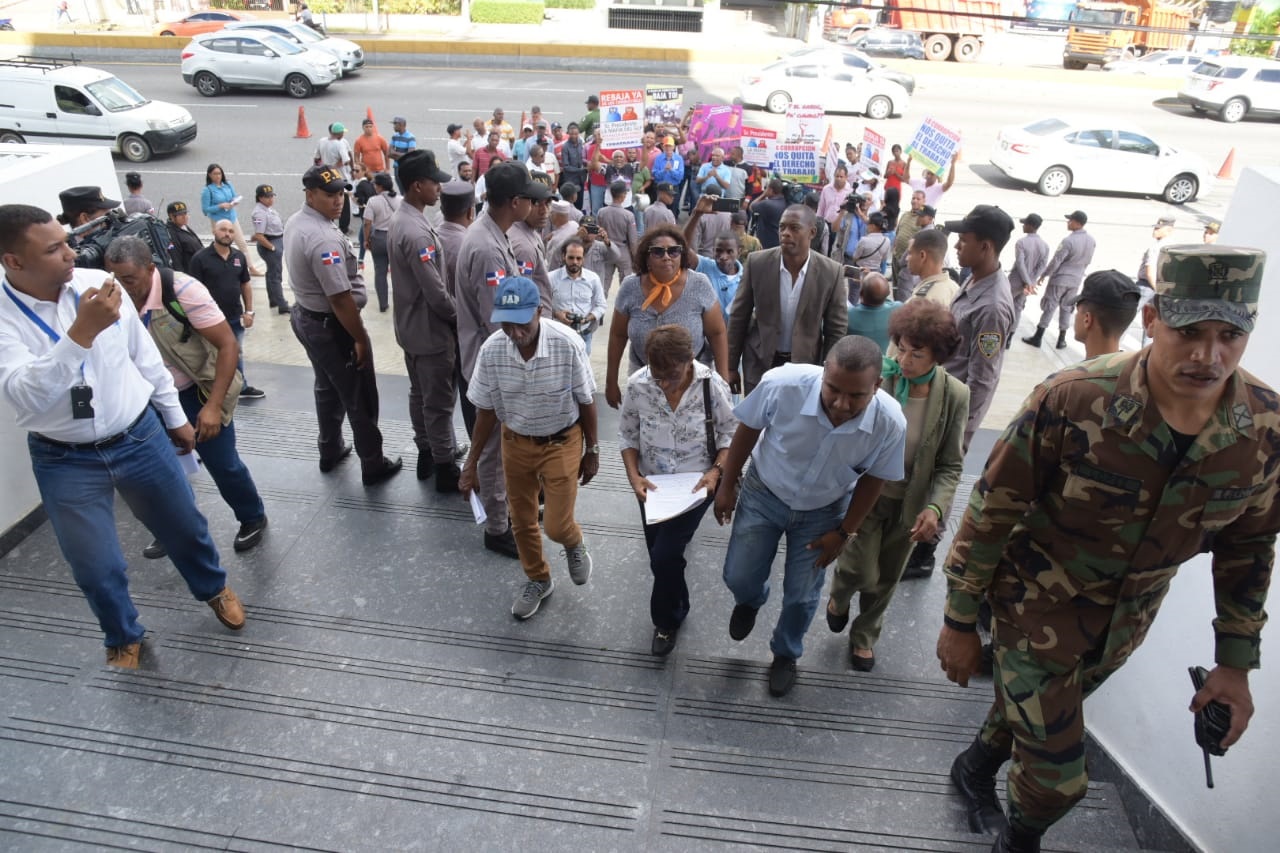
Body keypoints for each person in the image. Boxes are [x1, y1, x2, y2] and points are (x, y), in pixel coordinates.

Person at [938, 245, 1276, 853]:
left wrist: (1234, 663)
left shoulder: (1266, 430)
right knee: (1059, 779)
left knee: (1041, 714)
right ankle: (1019, 841)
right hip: (1033, 605)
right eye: (1189, 331)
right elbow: (993, 508)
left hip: (1124, 623)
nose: (1209, 355)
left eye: (1230, 335)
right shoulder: (1073, 398)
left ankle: (973, 767)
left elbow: (1249, 545)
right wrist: (960, 619)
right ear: (1151, 321)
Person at [0, 203, 246, 669]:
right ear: (14, 261)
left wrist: (174, 417)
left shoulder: (97, 286)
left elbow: (144, 357)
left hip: (138, 435)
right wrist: (79, 336)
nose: (71, 253)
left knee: (185, 527)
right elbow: (24, 394)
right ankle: (121, 633)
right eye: (54, 249)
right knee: (94, 563)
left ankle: (213, 588)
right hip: (64, 457)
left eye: (67, 240)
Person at [716, 336, 907, 697]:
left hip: (825, 510)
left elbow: (875, 479)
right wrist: (727, 485)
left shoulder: (890, 423)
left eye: (856, 396)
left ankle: (786, 653)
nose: (841, 403)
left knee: (802, 597)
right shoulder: (781, 384)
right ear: (823, 373)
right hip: (764, 491)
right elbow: (748, 428)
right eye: (833, 389)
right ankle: (751, 599)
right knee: (739, 575)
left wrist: (845, 531)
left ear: (876, 387)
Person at [103, 235, 269, 559]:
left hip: (195, 393)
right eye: (115, 279)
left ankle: (252, 516)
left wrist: (213, 406)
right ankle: (174, 528)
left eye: (129, 279)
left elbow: (228, 345)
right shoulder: (111, 298)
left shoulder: (183, 291)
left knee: (223, 463)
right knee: (160, 470)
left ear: (150, 269)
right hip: (147, 400)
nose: (121, 288)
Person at [827, 301, 967, 670]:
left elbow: (951, 464)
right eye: (901, 348)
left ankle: (864, 636)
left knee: (886, 578)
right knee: (860, 571)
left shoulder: (954, 395)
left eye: (916, 354)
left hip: (910, 504)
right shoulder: (879, 379)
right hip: (866, 495)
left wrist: (935, 508)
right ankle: (838, 596)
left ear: (937, 356)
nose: (904, 360)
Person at [459, 276, 599, 620]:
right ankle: (538, 578)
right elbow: (486, 410)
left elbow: (586, 400)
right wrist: (470, 463)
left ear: (539, 311)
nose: (514, 332)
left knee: (555, 524)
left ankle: (573, 542)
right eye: (506, 323)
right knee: (520, 521)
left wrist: (592, 450)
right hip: (516, 441)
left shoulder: (567, 344)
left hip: (561, 441)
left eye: (521, 322)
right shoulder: (492, 349)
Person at [619, 324, 737, 655]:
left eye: (671, 374)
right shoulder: (638, 385)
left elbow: (731, 434)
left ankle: (666, 623)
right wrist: (633, 477)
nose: (664, 382)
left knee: (665, 554)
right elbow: (628, 436)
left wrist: (716, 473)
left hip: (697, 484)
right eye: (658, 375)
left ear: (689, 360)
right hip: (652, 486)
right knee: (661, 559)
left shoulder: (711, 385)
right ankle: (679, 602)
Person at [284, 165, 402, 487]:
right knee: (359, 396)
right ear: (310, 195)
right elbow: (340, 299)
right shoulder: (322, 238)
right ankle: (373, 463)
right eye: (330, 195)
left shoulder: (299, 221)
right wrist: (360, 338)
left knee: (327, 386)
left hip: (307, 317)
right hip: (332, 327)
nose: (338, 201)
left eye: (341, 194)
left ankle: (330, 449)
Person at [454, 162, 545, 558]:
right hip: (491, 366)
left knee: (497, 446)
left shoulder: (492, 232)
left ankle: (502, 508)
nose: (533, 203)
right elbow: (500, 326)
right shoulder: (489, 248)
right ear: (515, 202)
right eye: (529, 197)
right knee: (493, 450)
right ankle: (496, 526)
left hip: (488, 359)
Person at [386, 150, 461, 489]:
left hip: (410, 328)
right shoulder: (417, 232)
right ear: (417, 186)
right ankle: (445, 465)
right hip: (430, 332)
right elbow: (436, 293)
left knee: (420, 395)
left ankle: (427, 451)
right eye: (434, 182)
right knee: (439, 403)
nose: (439, 188)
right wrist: (461, 318)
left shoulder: (403, 219)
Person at [727, 204, 849, 396]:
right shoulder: (757, 263)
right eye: (782, 227)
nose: (785, 233)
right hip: (759, 363)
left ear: (812, 232)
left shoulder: (831, 272)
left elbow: (836, 329)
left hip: (805, 367)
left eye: (794, 228)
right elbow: (738, 317)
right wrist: (731, 366)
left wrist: (828, 373)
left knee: (795, 424)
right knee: (756, 424)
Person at [605, 224, 730, 408]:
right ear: (647, 258)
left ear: (682, 255)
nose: (666, 257)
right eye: (657, 252)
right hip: (642, 377)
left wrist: (723, 381)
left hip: (692, 381)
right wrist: (611, 381)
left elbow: (717, 333)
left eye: (673, 251)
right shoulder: (630, 287)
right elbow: (617, 335)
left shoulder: (699, 284)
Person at [188, 220, 265, 401]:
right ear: (214, 231)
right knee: (209, 355)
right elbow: (193, 290)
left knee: (235, 352)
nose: (227, 234)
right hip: (209, 320)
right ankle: (211, 389)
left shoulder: (239, 257)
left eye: (231, 231)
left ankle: (240, 386)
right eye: (223, 230)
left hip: (234, 317)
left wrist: (249, 311)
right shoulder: (200, 259)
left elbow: (245, 284)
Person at [1023, 210, 1096, 351]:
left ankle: (1038, 336)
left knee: (1050, 306)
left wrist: (1044, 275)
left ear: (1077, 223)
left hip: (1060, 278)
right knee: (1067, 308)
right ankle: (1061, 339)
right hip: (1076, 279)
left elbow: (1057, 261)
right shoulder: (1091, 241)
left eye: (1070, 220)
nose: (1068, 223)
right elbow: (1088, 261)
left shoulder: (1069, 241)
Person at [201, 163, 264, 275]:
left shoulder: (227, 184)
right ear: (209, 175)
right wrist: (220, 206)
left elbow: (234, 196)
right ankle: (221, 266)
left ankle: (251, 267)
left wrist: (234, 201)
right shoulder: (208, 190)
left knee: (242, 243)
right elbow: (205, 209)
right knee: (222, 243)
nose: (218, 176)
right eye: (215, 174)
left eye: (219, 173)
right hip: (218, 221)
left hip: (231, 218)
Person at [682, 209, 743, 322]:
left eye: (729, 252)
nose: (723, 256)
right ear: (713, 250)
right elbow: (683, 247)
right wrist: (697, 214)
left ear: (739, 252)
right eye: (719, 251)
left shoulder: (746, 278)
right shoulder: (705, 266)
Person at [548, 237, 607, 353]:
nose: (575, 262)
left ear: (583, 259)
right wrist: (556, 314)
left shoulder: (593, 279)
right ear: (563, 257)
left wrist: (586, 319)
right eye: (571, 258)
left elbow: (601, 305)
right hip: (558, 335)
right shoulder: (551, 278)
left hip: (584, 335)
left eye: (578, 258)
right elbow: (541, 304)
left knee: (583, 370)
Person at [1068, 269, 1141, 359]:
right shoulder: (1131, 370)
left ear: (1087, 319)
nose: (1075, 315)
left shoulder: (1073, 373)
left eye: (1077, 310)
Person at [1007, 213, 1050, 341]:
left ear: (1031, 226)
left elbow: (1020, 264)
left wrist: (1026, 281)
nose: (1023, 226)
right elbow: (1042, 266)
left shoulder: (1021, 242)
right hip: (1029, 283)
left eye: (1025, 224)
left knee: (1005, 306)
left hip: (1016, 280)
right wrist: (1031, 282)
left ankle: (1002, 333)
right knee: (1018, 308)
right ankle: (1010, 337)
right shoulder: (1045, 246)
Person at [362, 172, 400, 313]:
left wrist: (366, 239)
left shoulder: (373, 201)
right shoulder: (401, 200)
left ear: (379, 186)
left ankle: (383, 303)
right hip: (395, 237)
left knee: (380, 272)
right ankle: (400, 301)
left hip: (378, 237)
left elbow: (367, 223)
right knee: (398, 272)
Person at [249, 184, 289, 315]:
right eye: (267, 197)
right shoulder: (260, 213)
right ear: (260, 198)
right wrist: (272, 248)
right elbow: (259, 235)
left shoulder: (267, 209)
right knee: (275, 276)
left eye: (272, 196)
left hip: (275, 240)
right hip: (270, 243)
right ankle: (282, 304)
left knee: (271, 273)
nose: (271, 199)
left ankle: (274, 300)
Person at [846, 272, 900, 354]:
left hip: (858, 362)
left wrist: (869, 280)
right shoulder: (898, 309)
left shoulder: (848, 316)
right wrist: (873, 276)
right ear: (888, 294)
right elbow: (881, 293)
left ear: (860, 293)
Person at [596, 180, 638, 280]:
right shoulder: (628, 215)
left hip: (606, 249)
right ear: (623, 195)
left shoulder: (601, 212)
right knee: (626, 284)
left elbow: (597, 235)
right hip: (622, 251)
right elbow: (632, 240)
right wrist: (635, 256)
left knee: (603, 284)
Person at [1136, 215, 1175, 307]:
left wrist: (1158, 290)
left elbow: (1150, 272)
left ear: (1168, 230)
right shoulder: (1173, 245)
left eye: (1158, 228)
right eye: (1155, 228)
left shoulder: (1156, 247)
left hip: (1148, 285)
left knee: (1130, 312)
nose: (1155, 230)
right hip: (1162, 285)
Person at [686, 188, 734, 258]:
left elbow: (693, 240)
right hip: (723, 256)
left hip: (704, 256)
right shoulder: (729, 214)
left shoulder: (700, 214)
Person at [165, 201, 204, 274]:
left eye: (185, 213)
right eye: (180, 214)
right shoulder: (171, 234)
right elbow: (176, 260)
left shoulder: (183, 226)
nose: (184, 217)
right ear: (171, 216)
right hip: (189, 274)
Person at [816, 165, 854, 240]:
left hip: (841, 228)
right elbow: (821, 208)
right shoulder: (826, 189)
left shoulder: (850, 192)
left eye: (841, 176)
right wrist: (818, 224)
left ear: (846, 177)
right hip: (826, 225)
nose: (838, 179)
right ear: (834, 176)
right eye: (837, 176)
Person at [749, 180, 788, 250]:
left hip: (768, 245)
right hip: (780, 241)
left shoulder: (766, 204)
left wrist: (764, 194)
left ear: (770, 190)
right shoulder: (785, 202)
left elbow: (751, 206)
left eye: (766, 188)